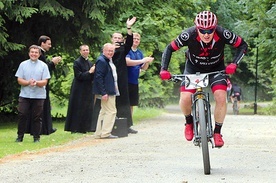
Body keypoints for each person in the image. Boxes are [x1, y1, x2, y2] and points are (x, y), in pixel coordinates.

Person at [160, 11, 248, 147]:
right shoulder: (188, 35)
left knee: (220, 96)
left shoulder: (223, 33)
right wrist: (164, 69)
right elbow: (169, 49)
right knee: (185, 97)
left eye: (210, 30)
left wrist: (234, 63)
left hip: (216, 69)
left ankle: (217, 132)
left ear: (215, 28)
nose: (206, 34)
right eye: (202, 31)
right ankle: (189, 122)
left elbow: (243, 45)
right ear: (196, 28)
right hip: (193, 68)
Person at [15, 45, 51, 142]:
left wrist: (36, 83)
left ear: (39, 54)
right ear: (29, 53)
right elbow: (19, 79)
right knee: (22, 114)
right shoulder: (23, 64)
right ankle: (20, 136)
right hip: (25, 94)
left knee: (37, 117)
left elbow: (45, 81)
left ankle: (36, 137)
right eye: (32, 52)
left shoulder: (44, 66)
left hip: (39, 95)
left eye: (36, 52)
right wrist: (27, 82)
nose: (33, 54)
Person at [111, 16, 138, 134]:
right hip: (110, 78)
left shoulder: (123, 49)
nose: (117, 39)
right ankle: (109, 126)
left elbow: (130, 42)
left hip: (122, 78)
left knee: (124, 101)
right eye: (115, 37)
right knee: (111, 102)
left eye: (119, 38)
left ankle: (126, 126)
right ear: (112, 39)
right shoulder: (107, 49)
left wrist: (129, 27)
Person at [65, 45, 95, 133]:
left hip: (88, 88)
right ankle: (76, 128)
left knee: (87, 107)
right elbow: (78, 76)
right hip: (79, 89)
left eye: (87, 50)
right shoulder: (77, 62)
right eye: (84, 50)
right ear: (80, 52)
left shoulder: (89, 62)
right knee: (78, 107)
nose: (86, 52)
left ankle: (86, 127)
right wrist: (90, 72)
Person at [36, 35, 61, 135]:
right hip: (41, 83)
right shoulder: (40, 54)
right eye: (48, 44)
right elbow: (43, 68)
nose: (50, 46)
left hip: (44, 83)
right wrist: (52, 63)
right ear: (42, 43)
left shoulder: (42, 54)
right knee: (43, 104)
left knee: (45, 104)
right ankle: (44, 128)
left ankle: (47, 128)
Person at [93, 43, 118, 139]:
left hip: (109, 89)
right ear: (104, 51)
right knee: (111, 111)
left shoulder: (107, 60)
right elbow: (99, 77)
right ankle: (106, 133)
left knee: (103, 111)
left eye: (112, 51)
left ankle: (99, 132)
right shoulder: (102, 61)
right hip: (107, 91)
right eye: (108, 50)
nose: (110, 52)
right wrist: (103, 92)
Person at [126, 32, 154, 118]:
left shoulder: (139, 53)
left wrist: (147, 61)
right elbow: (127, 62)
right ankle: (122, 123)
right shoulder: (127, 50)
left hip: (134, 81)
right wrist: (142, 61)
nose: (136, 41)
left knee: (132, 103)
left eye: (138, 39)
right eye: (134, 39)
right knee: (125, 103)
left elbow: (143, 68)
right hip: (125, 80)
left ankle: (129, 123)